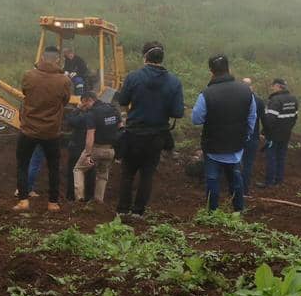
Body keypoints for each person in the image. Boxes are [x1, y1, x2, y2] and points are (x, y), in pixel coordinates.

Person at [114, 41, 184, 216]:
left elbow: (122, 101)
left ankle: (123, 210)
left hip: (134, 133)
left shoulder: (133, 77)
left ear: (145, 57)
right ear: (162, 58)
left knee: (128, 173)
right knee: (147, 174)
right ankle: (139, 211)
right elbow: (178, 112)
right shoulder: (174, 82)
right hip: (157, 136)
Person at [191, 55, 256, 212]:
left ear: (211, 72)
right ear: (229, 69)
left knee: (212, 178)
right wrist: (245, 136)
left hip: (213, 145)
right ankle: (238, 210)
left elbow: (196, 119)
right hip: (236, 144)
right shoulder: (246, 91)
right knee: (235, 176)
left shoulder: (206, 94)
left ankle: (213, 212)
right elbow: (252, 116)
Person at [13, 45, 72, 212]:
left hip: (28, 130)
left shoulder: (28, 76)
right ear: (58, 60)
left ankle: (23, 200)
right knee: (53, 167)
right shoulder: (64, 81)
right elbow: (65, 101)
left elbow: (25, 93)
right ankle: (53, 203)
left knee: (22, 165)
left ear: (42, 58)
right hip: (51, 132)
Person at [70, 91, 122, 204]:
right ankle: (98, 201)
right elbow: (120, 128)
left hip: (96, 149)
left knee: (78, 169)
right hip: (110, 150)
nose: (85, 107)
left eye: (84, 104)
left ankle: (79, 199)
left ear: (89, 100)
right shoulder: (113, 109)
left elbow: (90, 136)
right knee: (102, 175)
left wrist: (88, 154)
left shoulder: (92, 114)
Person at [260, 78, 298, 188]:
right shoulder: (293, 99)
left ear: (277, 86)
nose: (272, 88)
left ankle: (269, 182)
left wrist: (264, 132)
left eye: (273, 85)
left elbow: (270, 120)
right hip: (286, 134)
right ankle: (279, 181)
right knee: (281, 157)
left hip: (273, 135)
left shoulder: (275, 100)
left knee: (271, 157)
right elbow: (295, 117)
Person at [240, 78, 264, 197]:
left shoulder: (236, 100)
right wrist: (265, 132)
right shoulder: (259, 101)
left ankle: (235, 188)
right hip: (252, 136)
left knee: (237, 162)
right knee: (248, 164)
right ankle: (244, 190)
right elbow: (264, 119)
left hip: (238, 136)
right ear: (252, 87)